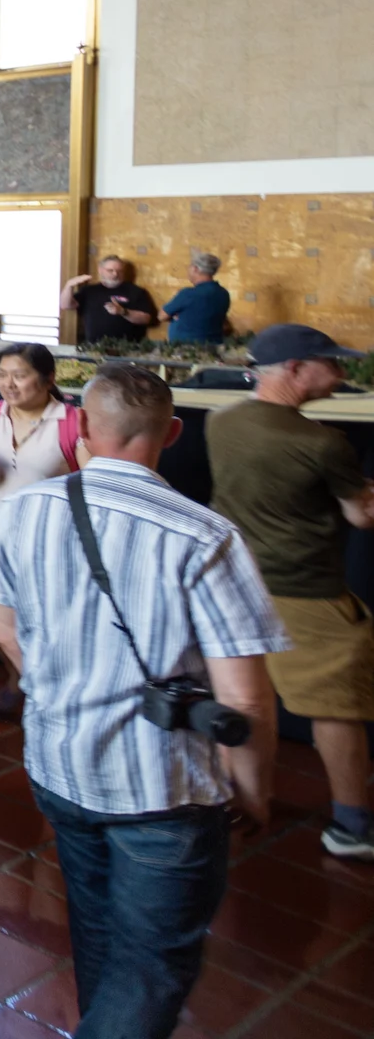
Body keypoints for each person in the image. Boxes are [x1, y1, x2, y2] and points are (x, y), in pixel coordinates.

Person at [0, 364, 285, 1037]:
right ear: (172, 434)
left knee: (94, 930)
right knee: (153, 967)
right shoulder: (206, 535)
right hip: (166, 786)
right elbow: (248, 698)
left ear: (82, 426)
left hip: (58, 764)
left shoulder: (25, 509)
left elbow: (1, 627)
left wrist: (58, 689)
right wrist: (254, 788)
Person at [207, 323, 374, 860]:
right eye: (332, 362)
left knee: (244, 699)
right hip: (306, 591)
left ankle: (239, 801)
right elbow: (361, 515)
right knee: (335, 708)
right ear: (297, 369)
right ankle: (352, 826)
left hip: (233, 582)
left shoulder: (221, 423)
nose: (343, 372)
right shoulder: (324, 443)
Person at [0, 342, 89, 716]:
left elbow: (95, 484)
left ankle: (53, 697)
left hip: (55, 540)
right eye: (2, 375)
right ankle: (18, 681)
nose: (8, 384)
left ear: (48, 379)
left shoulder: (73, 423)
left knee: (47, 623)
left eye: (20, 375)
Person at [63, 255, 159, 344]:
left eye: (119, 271)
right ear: (100, 270)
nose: (115, 274)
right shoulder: (89, 291)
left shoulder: (136, 291)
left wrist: (123, 311)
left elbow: (145, 319)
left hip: (128, 348)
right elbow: (65, 305)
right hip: (94, 347)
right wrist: (69, 285)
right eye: (110, 270)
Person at [162, 252, 231, 346]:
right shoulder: (223, 293)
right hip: (214, 347)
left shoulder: (188, 294)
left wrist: (176, 315)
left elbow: (162, 316)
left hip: (185, 349)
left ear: (195, 269)